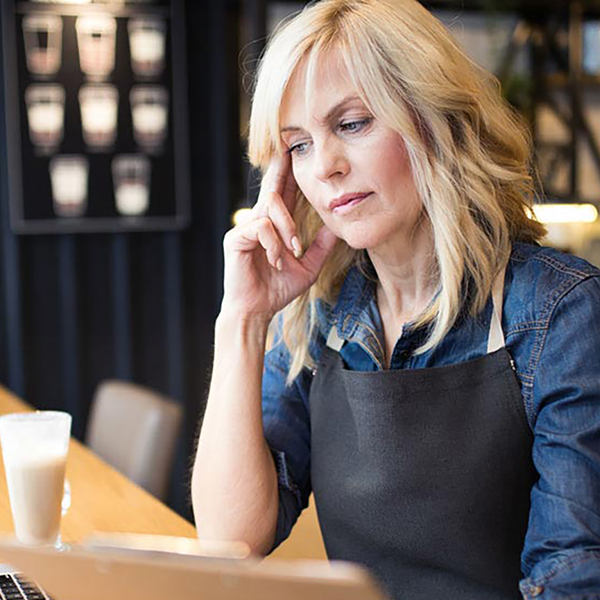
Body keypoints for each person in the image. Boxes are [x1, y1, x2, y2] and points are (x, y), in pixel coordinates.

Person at [191, 1, 600, 598]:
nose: (325, 166)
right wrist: (244, 321)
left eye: (351, 124)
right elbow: (231, 539)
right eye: (298, 145)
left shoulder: (560, 315)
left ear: (436, 121)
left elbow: (574, 579)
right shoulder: (320, 314)